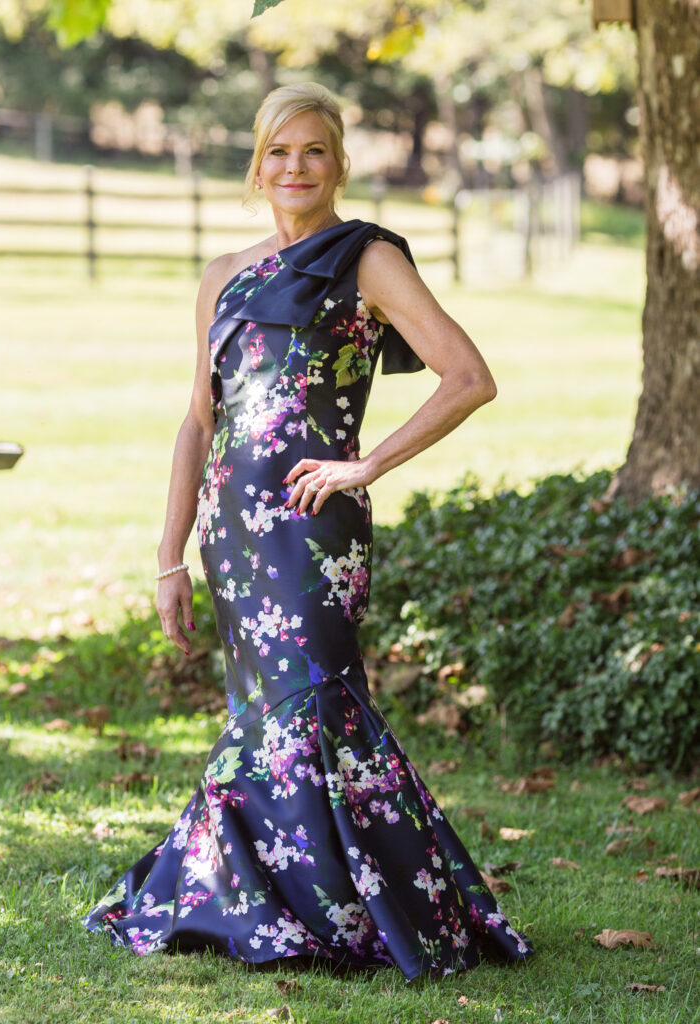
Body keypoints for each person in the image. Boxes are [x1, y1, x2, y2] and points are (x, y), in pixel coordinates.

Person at [83, 82, 534, 982]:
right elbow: (198, 423)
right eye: (279, 152)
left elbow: (467, 376)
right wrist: (168, 556)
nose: (296, 167)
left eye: (315, 151)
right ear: (258, 165)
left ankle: (359, 913)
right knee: (260, 720)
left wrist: (364, 465)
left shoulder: (364, 260)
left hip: (313, 532)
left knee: (316, 709)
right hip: (232, 542)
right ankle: (276, 902)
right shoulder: (223, 275)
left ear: (338, 164)